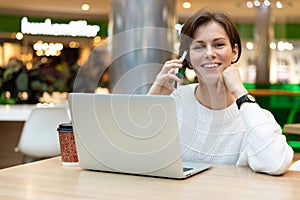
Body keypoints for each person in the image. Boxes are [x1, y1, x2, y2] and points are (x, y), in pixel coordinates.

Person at [148, 7, 294, 175]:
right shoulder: (174, 102)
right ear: (187, 58)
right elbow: (136, 154)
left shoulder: (251, 115)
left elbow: (275, 164)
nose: (209, 53)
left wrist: (240, 92)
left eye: (218, 45)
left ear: (234, 52)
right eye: (199, 47)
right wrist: (152, 100)